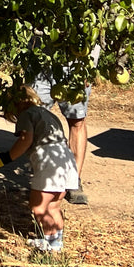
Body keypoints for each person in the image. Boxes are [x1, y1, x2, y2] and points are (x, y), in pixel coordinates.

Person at [0, 84, 79, 252]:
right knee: (53, 206)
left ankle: (50, 243)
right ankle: (56, 242)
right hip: (65, 160)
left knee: (38, 206)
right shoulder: (47, 114)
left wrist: (4, 158)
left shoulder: (27, 115)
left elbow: (25, 140)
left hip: (49, 163)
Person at [30, 44, 100, 205]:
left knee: (77, 120)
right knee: (34, 117)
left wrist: (88, 68)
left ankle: (73, 180)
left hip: (76, 66)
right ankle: (41, 175)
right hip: (43, 63)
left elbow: (93, 33)